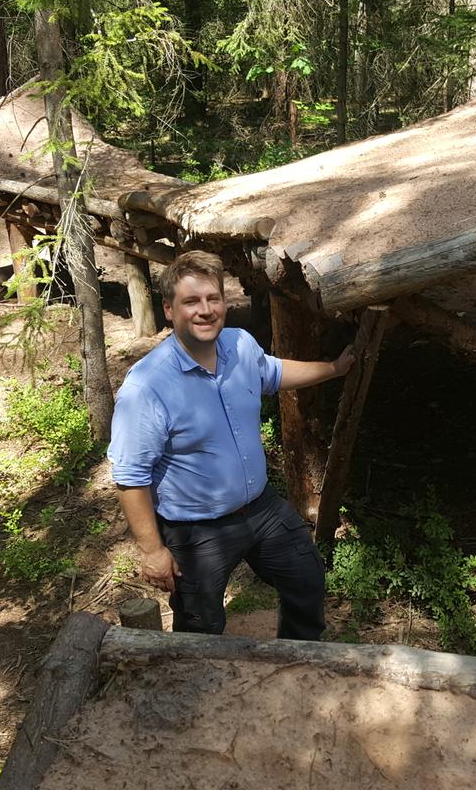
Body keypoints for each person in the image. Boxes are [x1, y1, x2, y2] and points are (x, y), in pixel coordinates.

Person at [107, 251, 354, 640]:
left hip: (261, 509)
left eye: (213, 298)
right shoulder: (147, 387)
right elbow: (130, 478)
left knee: (306, 577)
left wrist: (334, 369)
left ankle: (297, 658)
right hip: (195, 529)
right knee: (201, 624)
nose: (205, 311)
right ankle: (200, 686)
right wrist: (154, 552)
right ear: (169, 310)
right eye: (191, 302)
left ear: (224, 302)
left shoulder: (239, 345)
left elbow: (273, 371)